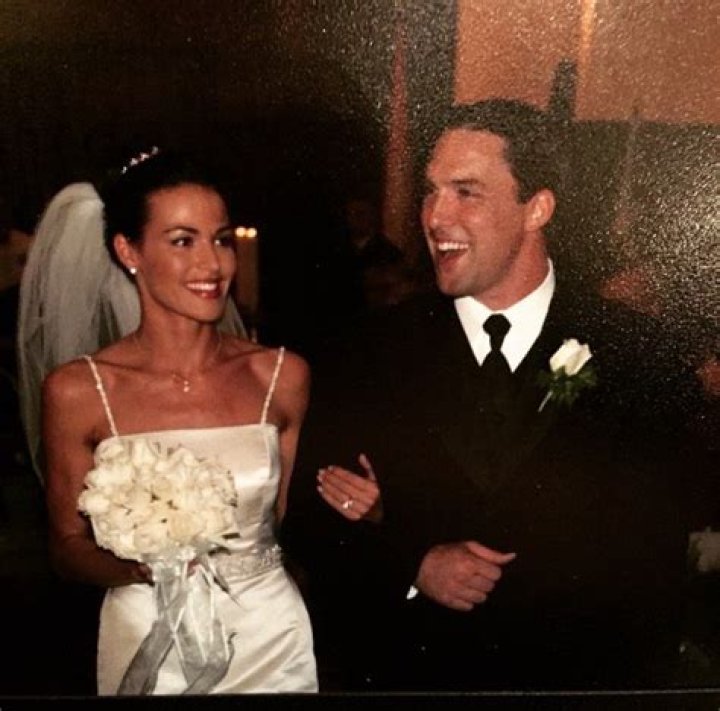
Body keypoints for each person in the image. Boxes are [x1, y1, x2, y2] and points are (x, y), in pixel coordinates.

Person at [282, 99, 707, 691]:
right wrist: (414, 563)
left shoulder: (637, 353)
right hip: (417, 676)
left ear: (537, 208)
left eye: (466, 192)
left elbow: (656, 556)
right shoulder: (369, 351)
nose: (435, 216)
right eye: (431, 192)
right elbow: (306, 519)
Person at [32, 150, 317, 694]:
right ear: (129, 251)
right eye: (183, 241)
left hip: (269, 637)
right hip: (147, 634)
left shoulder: (282, 377)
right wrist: (144, 568)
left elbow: (285, 521)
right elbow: (66, 546)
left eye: (221, 240)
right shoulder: (79, 391)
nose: (213, 265)